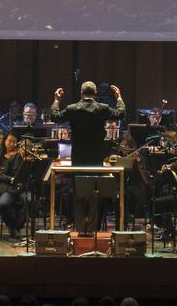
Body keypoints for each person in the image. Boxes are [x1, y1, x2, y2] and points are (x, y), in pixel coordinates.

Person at [50, 81, 126, 233]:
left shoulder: (72, 108)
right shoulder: (102, 108)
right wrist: (119, 97)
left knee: (78, 194)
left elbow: (54, 116)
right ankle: (91, 230)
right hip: (96, 158)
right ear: (95, 93)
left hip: (78, 157)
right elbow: (121, 114)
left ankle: (80, 230)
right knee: (93, 194)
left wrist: (57, 100)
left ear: (81, 93)